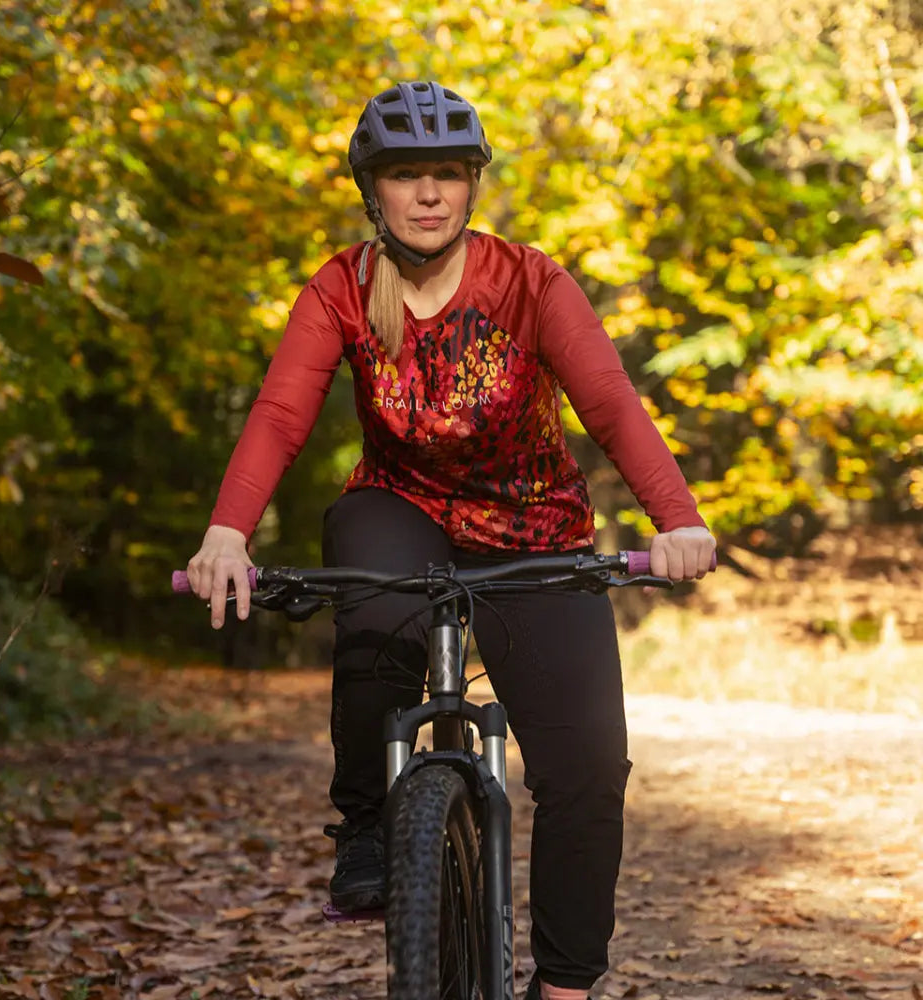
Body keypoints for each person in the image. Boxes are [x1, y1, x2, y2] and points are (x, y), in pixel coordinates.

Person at [186, 81, 716, 1000]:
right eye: (404, 176)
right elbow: (281, 413)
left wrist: (678, 521)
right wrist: (227, 534)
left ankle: (563, 986)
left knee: (589, 771)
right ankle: (366, 827)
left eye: (446, 174)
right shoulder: (342, 289)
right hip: (403, 507)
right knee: (375, 612)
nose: (427, 195)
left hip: (535, 528)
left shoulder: (530, 282)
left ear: (471, 187)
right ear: (373, 192)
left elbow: (610, 405)